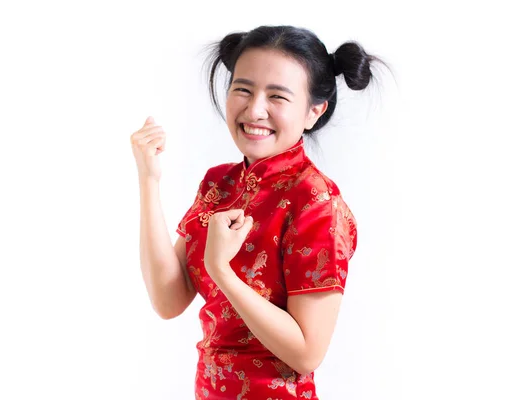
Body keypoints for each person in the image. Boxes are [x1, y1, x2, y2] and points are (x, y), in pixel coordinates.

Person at [131, 25, 387, 399]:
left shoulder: (316, 202)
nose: (255, 110)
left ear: (314, 111)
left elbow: (307, 353)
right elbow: (168, 301)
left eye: (277, 96)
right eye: (243, 89)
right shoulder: (220, 184)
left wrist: (223, 271)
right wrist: (148, 182)